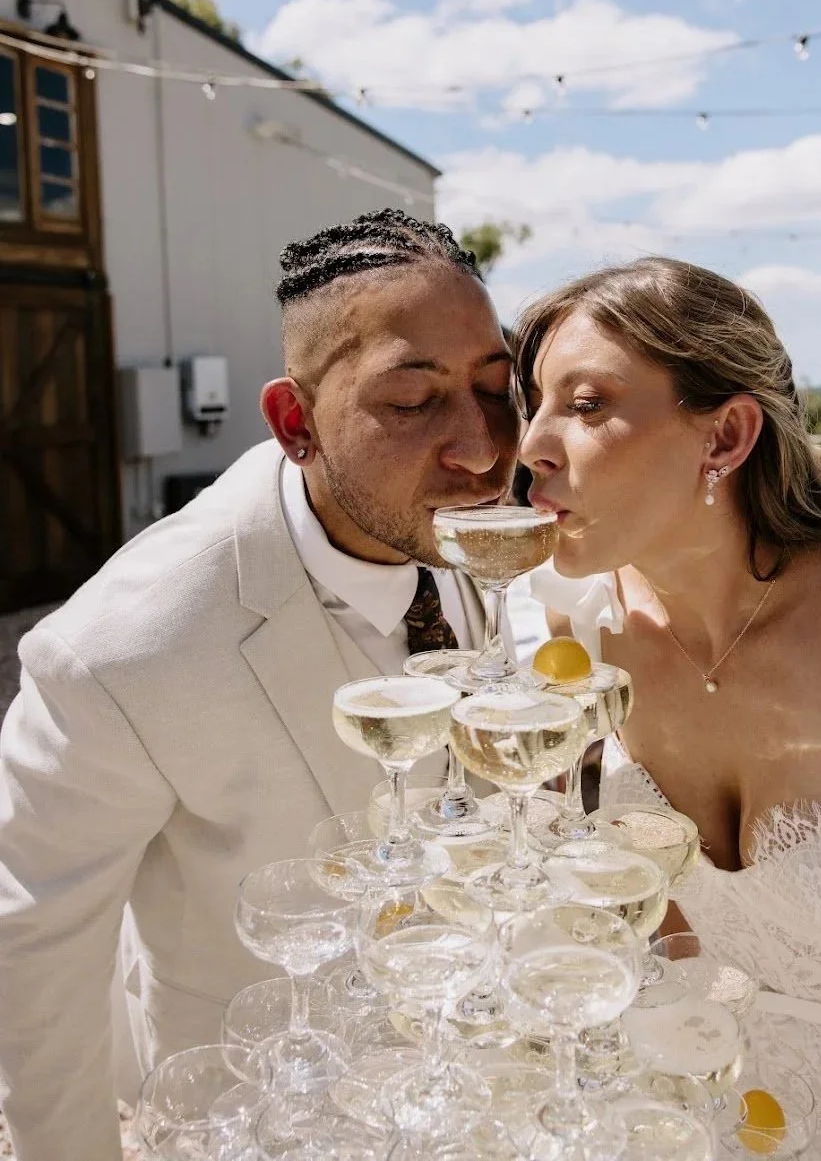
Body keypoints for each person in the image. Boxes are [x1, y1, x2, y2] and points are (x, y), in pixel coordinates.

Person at [0, 209, 519, 1161]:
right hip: (268, 1120)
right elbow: (33, 952)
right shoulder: (116, 652)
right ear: (295, 423)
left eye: (497, 389)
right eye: (414, 401)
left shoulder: (469, 529)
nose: (483, 448)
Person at [515, 257, 821, 1159]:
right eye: (534, 404)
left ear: (725, 437)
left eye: (587, 404)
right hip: (720, 1131)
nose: (532, 446)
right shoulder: (573, 637)